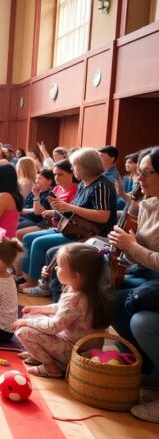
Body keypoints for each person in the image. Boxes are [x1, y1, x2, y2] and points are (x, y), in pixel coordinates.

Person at [18, 148, 117, 294]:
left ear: (86, 166)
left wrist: (68, 207)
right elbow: (75, 209)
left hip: (92, 235)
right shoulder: (84, 183)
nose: (73, 169)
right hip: (74, 228)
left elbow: (103, 216)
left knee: (39, 243)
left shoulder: (101, 185)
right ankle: (29, 279)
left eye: (75, 165)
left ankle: (40, 284)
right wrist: (57, 211)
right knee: (27, 237)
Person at [108, 146, 159, 422]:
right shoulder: (150, 203)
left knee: (142, 321)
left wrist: (132, 247)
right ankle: (148, 368)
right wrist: (124, 246)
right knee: (109, 295)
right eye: (139, 172)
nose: (138, 179)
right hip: (149, 273)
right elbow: (138, 252)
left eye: (146, 173)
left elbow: (142, 252)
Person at [14, 243, 109, 378]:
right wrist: (39, 309)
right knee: (30, 316)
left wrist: (27, 323)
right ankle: (41, 356)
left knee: (22, 332)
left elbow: (54, 327)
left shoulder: (75, 298)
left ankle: (52, 367)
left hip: (75, 352)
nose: (56, 268)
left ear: (76, 276)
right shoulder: (85, 291)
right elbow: (62, 309)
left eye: (60, 266)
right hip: (77, 345)